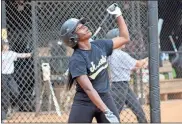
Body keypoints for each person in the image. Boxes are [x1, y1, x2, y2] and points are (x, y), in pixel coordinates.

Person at [60, 5, 130, 123]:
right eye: (80, 28)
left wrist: (118, 15)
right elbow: (88, 89)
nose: (85, 27)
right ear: (73, 38)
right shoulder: (77, 59)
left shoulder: (100, 45)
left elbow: (124, 38)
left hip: (105, 96)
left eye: (83, 25)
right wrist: (106, 111)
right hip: (85, 102)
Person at [105, 28, 148, 123]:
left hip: (124, 86)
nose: (124, 39)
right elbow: (138, 64)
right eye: (120, 38)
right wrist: (150, 58)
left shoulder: (110, 53)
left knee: (138, 110)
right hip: (119, 88)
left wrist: (140, 63)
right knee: (114, 115)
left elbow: (132, 67)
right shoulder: (120, 54)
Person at [1, 41, 32, 120]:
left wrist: (30, 54)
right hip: (2, 76)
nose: (6, 46)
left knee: (16, 92)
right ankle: (3, 115)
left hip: (10, 76)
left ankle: (10, 106)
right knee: (5, 95)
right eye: (5, 45)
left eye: (7, 45)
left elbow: (20, 55)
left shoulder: (11, 53)